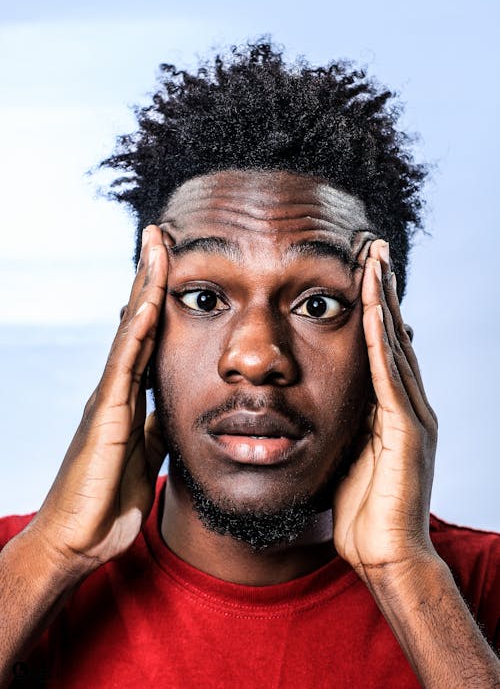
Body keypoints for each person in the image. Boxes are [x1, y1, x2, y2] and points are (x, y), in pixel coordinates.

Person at [0, 42, 498, 689]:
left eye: (318, 304)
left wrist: (407, 576)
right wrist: (53, 552)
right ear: (138, 328)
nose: (257, 357)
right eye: (205, 298)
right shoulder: (21, 568)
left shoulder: (477, 590)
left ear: (392, 342)